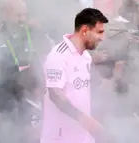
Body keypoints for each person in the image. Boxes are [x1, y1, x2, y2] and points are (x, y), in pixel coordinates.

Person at [40, 8, 111, 143]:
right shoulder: (58, 56)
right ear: (85, 30)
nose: (102, 38)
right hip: (60, 137)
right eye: (99, 32)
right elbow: (55, 94)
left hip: (82, 136)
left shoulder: (86, 56)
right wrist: (85, 120)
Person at [0, 0, 51, 142]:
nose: (22, 19)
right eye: (18, 15)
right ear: (5, 15)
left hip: (33, 98)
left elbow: (48, 62)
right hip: (7, 100)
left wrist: (46, 97)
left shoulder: (35, 33)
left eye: (24, 15)